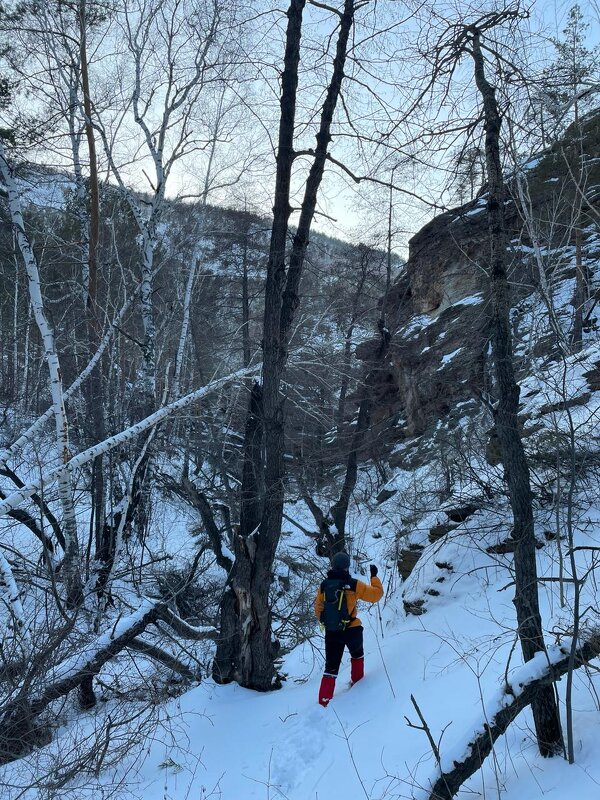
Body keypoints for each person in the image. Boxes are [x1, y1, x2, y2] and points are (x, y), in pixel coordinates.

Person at [314, 551, 384, 707]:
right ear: (347, 567)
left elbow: (318, 608)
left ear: (332, 566)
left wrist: (330, 622)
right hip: (352, 629)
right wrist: (374, 577)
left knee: (331, 668)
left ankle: (324, 701)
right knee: (357, 656)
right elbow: (376, 596)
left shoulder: (324, 586)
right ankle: (357, 685)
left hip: (332, 632)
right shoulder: (353, 584)